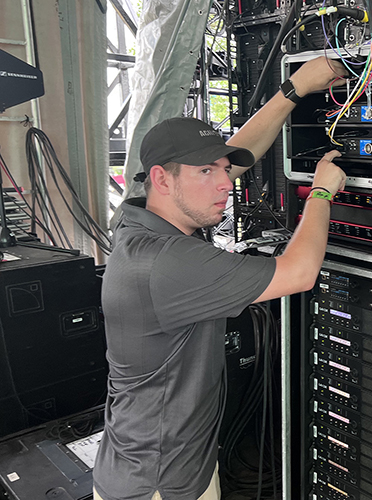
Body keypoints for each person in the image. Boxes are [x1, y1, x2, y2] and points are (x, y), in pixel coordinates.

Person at [92, 57, 347, 500]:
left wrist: (295, 88)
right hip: (160, 486)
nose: (224, 185)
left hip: (154, 465)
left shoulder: (142, 217)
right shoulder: (167, 261)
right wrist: (321, 192)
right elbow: (300, 273)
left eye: (222, 170)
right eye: (206, 173)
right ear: (161, 179)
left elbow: (233, 155)